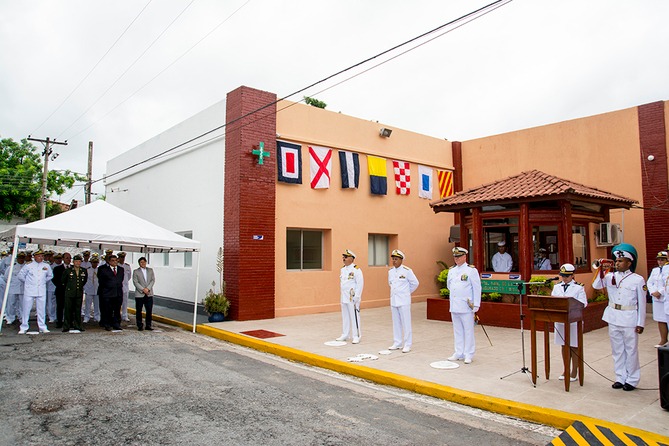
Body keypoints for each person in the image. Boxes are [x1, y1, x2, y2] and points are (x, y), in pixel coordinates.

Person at [592, 243, 646, 391]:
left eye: (621, 261)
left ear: (629, 262)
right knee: (617, 350)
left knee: (631, 349)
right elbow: (596, 285)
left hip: (629, 317)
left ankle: (632, 379)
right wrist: (602, 270)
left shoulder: (637, 279)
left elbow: (642, 303)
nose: (617, 263)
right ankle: (620, 377)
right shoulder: (610, 276)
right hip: (614, 316)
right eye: (616, 261)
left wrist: (641, 322)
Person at [551, 263, 587, 381]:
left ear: (572, 275)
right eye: (563, 276)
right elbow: (553, 301)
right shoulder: (557, 287)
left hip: (573, 321)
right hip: (561, 321)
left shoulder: (579, 287)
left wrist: (571, 305)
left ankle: (574, 370)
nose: (564, 278)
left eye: (567, 276)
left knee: (574, 345)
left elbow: (583, 303)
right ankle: (566, 368)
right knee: (564, 345)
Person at [446, 247, 482, 364]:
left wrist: (476, 304)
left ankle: (469, 353)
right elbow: (449, 286)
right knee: (457, 330)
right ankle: (458, 352)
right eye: (455, 257)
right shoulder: (451, 270)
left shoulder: (471, 270)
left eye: (459, 256)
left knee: (468, 330)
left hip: (466, 306)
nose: (456, 259)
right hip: (455, 305)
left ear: (464, 257)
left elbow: (477, 288)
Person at [387, 249, 419, 353]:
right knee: (396, 322)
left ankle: (407, 344)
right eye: (393, 259)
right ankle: (397, 342)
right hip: (394, 300)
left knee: (406, 323)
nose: (394, 261)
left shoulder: (407, 271)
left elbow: (415, 283)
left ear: (401, 260)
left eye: (396, 259)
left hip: (404, 300)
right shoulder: (391, 271)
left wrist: (406, 292)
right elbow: (390, 284)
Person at [17, 250, 53, 334]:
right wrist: (28, 282)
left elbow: (50, 276)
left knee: (41, 309)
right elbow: (20, 276)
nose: (41, 258)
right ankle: (24, 326)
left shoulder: (46, 265)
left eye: (42, 256)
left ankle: (42, 326)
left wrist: (43, 281)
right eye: (39, 256)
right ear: (35, 257)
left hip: (41, 289)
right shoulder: (28, 265)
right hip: (30, 290)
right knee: (26, 309)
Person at [335, 249, 364, 343]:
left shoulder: (356, 269)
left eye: (346, 257)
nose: (343, 258)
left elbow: (360, 283)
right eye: (343, 257)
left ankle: (356, 336)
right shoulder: (342, 269)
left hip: (353, 297)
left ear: (352, 259)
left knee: (354, 316)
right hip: (344, 296)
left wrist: (357, 296)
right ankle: (345, 334)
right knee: (345, 316)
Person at [97, 254, 125, 331]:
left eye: (116, 260)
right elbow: (102, 281)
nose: (115, 262)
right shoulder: (103, 270)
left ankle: (116, 324)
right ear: (109, 262)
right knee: (107, 310)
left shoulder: (121, 269)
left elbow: (120, 280)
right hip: (108, 293)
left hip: (118, 293)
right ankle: (107, 324)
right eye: (112, 261)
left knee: (117, 310)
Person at [61, 254, 88, 332]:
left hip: (78, 292)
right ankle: (66, 325)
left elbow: (84, 280)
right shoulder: (68, 270)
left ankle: (78, 325)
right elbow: (63, 281)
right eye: (76, 261)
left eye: (79, 261)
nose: (78, 263)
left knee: (77, 310)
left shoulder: (83, 270)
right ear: (73, 262)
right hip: (69, 292)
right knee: (68, 309)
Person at [648, 251, 669, 347]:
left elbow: (666, 284)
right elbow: (650, 282)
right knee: (660, 319)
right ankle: (663, 340)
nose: (660, 262)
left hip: (665, 297)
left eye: (662, 259)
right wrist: (653, 292)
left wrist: (660, 292)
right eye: (658, 260)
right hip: (657, 299)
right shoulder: (655, 270)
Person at [133, 257, 156, 331]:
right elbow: (135, 282)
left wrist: (148, 288)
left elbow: (152, 280)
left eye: (144, 262)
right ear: (139, 263)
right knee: (139, 310)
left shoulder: (150, 270)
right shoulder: (136, 271)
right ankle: (139, 325)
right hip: (140, 294)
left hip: (149, 293)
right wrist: (143, 289)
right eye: (141, 262)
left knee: (149, 310)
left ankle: (148, 325)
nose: (143, 263)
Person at [3, 251, 26, 325]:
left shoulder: (26, 267)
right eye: (20, 258)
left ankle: (22, 318)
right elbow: (6, 278)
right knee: (11, 303)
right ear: (17, 258)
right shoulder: (11, 267)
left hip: (23, 288)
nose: (21, 259)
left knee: (22, 304)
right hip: (13, 288)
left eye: (22, 258)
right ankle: (10, 318)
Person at [52, 252, 72, 328]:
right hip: (61, 291)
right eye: (67, 258)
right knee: (60, 307)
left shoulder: (73, 268)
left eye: (70, 258)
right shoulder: (57, 269)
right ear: (63, 259)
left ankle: (69, 322)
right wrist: (62, 286)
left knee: (70, 307)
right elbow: (54, 279)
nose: (69, 260)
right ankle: (59, 322)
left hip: (71, 291)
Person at [83, 254, 101, 324]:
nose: (95, 264)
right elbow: (84, 279)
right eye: (93, 262)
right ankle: (86, 316)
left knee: (97, 304)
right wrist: (85, 288)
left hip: (97, 289)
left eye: (96, 262)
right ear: (91, 263)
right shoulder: (87, 270)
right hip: (89, 289)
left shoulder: (99, 270)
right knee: (88, 304)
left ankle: (97, 316)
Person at [117, 252, 132, 322]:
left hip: (125, 286)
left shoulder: (127, 266)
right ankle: (117, 315)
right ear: (118, 258)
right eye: (121, 257)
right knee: (117, 302)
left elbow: (129, 276)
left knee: (125, 302)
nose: (122, 259)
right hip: (118, 287)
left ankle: (124, 315)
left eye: (123, 258)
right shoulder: (116, 266)